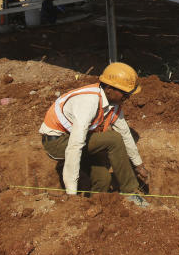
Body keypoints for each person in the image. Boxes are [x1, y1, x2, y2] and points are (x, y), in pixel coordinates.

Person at [40, 62, 151, 206]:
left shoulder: (113, 104)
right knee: (113, 139)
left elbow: (125, 134)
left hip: (78, 139)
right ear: (110, 89)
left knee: (103, 179)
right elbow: (75, 146)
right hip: (57, 142)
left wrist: (139, 165)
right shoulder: (88, 103)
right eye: (125, 93)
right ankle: (130, 191)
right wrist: (71, 193)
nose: (128, 98)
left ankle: (93, 210)